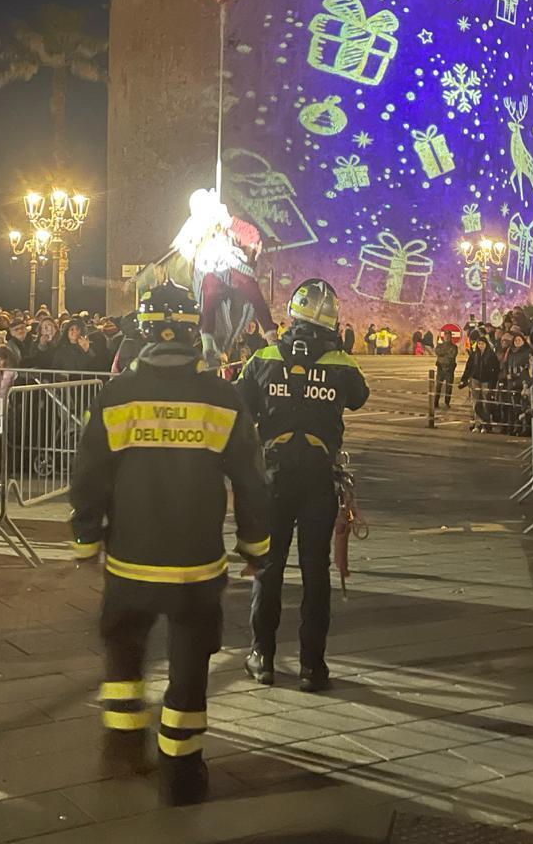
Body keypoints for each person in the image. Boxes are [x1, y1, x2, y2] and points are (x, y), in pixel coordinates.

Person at [69, 281, 270, 806]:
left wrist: (86, 537)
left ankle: (122, 748)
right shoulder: (222, 399)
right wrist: (256, 548)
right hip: (196, 568)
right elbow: (252, 481)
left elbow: (88, 474)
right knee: (189, 669)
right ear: (191, 333)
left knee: (123, 656)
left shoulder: (116, 397)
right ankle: (181, 775)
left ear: (141, 331)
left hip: (129, 563)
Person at [236, 278, 369, 693]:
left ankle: (263, 657)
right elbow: (359, 397)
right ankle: (313, 666)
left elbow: (241, 404)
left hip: (273, 476)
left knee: (268, 567)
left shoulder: (264, 357)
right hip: (318, 477)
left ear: (293, 312)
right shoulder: (341, 362)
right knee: (315, 571)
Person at [432, 330, 459, 410]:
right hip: (440, 369)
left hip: (449, 369)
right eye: (446, 335)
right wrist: (446, 352)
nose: (447, 337)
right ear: (444, 337)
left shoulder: (454, 347)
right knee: (438, 387)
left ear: (451, 337)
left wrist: (443, 353)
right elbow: (438, 352)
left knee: (449, 387)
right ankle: (435, 403)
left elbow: (452, 355)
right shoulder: (439, 346)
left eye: (448, 336)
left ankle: (447, 403)